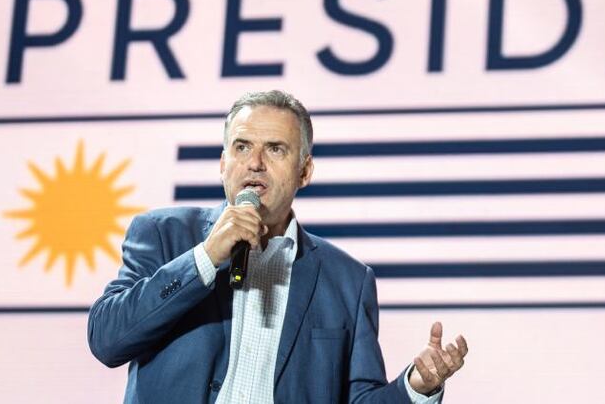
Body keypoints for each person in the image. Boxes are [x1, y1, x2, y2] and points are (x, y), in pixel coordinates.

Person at [88, 90, 469, 403]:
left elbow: (360, 398)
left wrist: (416, 388)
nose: (254, 163)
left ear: (304, 171)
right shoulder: (161, 233)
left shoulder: (348, 281)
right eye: (241, 147)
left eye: (274, 149)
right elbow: (108, 340)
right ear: (223, 163)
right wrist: (205, 258)